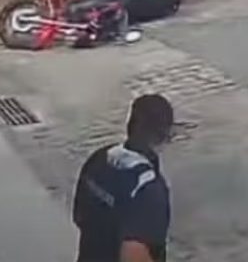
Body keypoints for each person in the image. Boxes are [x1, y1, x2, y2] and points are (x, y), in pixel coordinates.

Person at [73, 94, 174, 262]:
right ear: (164, 135)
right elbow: (134, 254)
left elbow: (79, 217)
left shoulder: (99, 158)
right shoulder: (148, 188)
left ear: (129, 125)